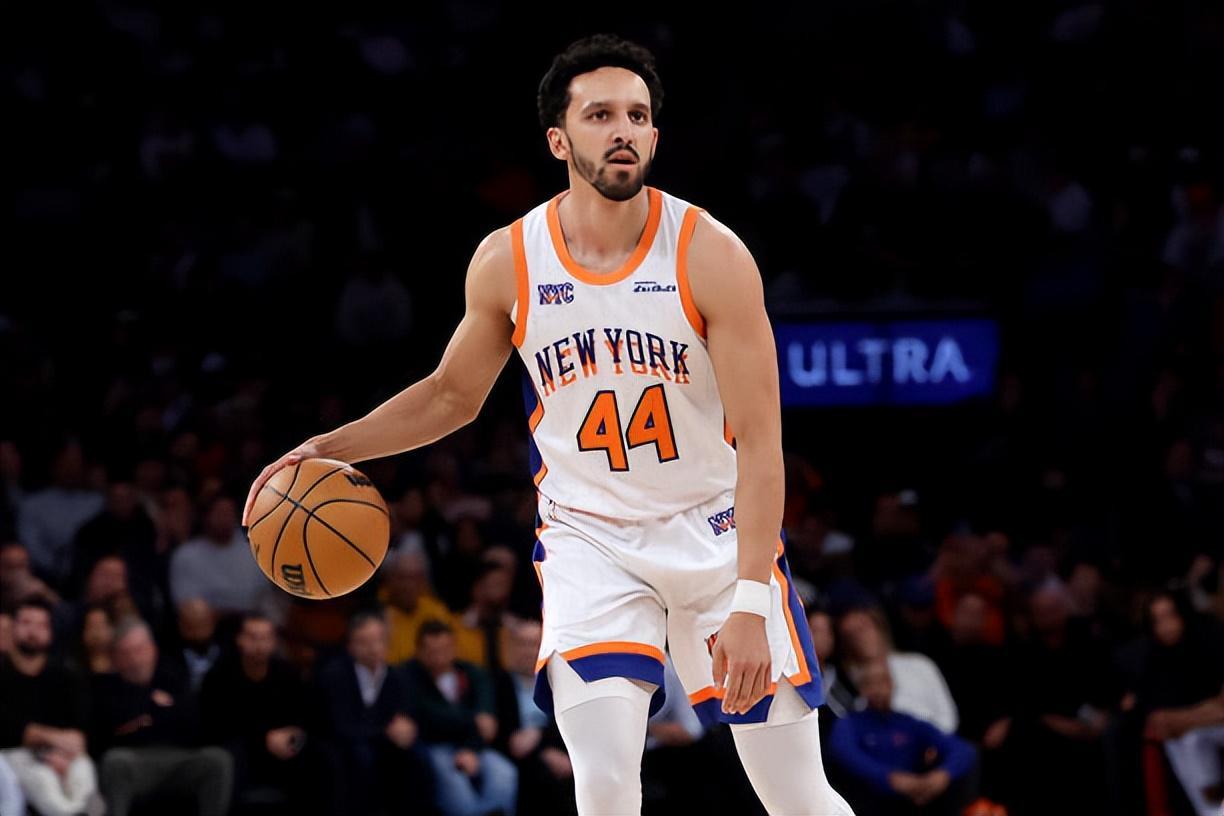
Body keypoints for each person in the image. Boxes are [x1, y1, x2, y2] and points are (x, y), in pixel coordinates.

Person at [244, 33, 853, 815]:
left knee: (797, 797)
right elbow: (450, 397)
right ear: (560, 140)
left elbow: (763, 444)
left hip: (714, 528)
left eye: (638, 115)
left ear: (655, 135)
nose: (623, 130)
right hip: (589, 539)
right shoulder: (510, 260)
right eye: (600, 115)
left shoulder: (712, 255)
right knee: (604, 783)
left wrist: (750, 602)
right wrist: (326, 447)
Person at [200, 613, 340, 816]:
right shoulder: (220, 676)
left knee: (323, 756)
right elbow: (217, 725)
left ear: (274, 642)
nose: (260, 645)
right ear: (240, 639)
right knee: (229, 758)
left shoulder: (287, 673)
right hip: (243, 748)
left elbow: (305, 713)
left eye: (265, 638)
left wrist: (294, 732)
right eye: (253, 637)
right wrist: (264, 738)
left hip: (282, 745)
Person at [91, 618, 232, 816]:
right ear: (115, 658)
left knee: (217, 759)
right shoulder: (106, 687)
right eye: (126, 653)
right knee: (115, 761)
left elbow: (191, 723)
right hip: (134, 760)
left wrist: (140, 720)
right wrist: (152, 705)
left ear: (152, 649)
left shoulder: (174, 674)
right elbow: (108, 732)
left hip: (179, 758)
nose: (134, 659)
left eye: (139, 650)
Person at [316, 610, 435, 816]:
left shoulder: (397, 675)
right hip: (347, 744)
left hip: (385, 743)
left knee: (419, 755)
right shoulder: (335, 674)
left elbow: (407, 712)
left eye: (379, 640)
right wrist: (386, 731)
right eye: (364, 642)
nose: (373, 648)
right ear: (350, 646)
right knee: (360, 756)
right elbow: (341, 725)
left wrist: (406, 727)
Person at [830, 659, 977, 816]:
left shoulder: (908, 722)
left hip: (914, 800)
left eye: (882, 682)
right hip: (867, 803)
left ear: (892, 684)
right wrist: (889, 778)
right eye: (870, 684)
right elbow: (845, 754)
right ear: (861, 690)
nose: (878, 690)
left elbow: (962, 749)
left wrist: (943, 774)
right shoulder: (849, 723)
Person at [404, 619, 518, 816]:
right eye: (432, 651)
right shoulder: (408, 676)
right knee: (456, 785)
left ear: (454, 647)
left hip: (473, 746)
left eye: (445, 649)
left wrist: (471, 748)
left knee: (504, 772)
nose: (440, 657)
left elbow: (487, 724)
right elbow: (429, 718)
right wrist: (473, 721)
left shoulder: (473, 673)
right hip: (435, 746)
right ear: (419, 651)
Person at [0, 598, 100, 816]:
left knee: (83, 772)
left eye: (41, 625)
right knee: (44, 781)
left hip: (63, 754)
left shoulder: (66, 674)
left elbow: (80, 735)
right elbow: (8, 731)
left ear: (51, 632)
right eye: (26, 623)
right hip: (16, 756)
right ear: (12, 627)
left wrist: (43, 740)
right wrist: (49, 742)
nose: (33, 631)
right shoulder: (4, 673)